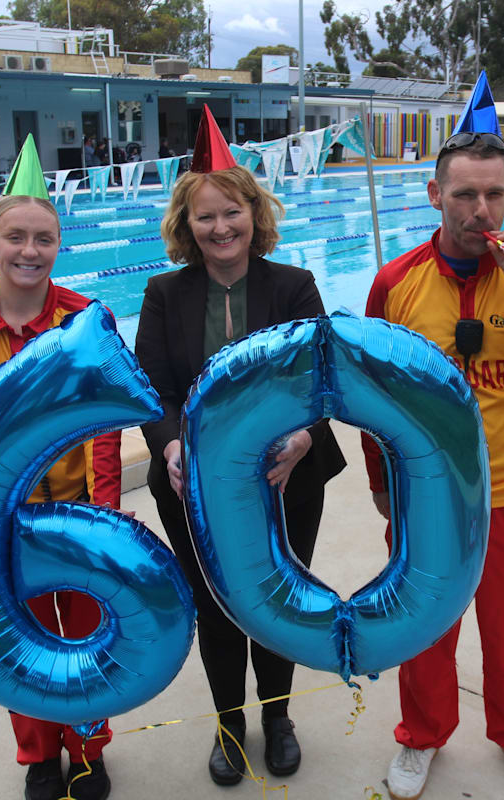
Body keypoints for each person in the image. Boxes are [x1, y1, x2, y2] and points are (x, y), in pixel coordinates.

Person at [362, 73, 504, 800]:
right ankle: (421, 738)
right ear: (435, 196)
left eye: (494, 194)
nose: (480, 209)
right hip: (427, 498)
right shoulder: (396, 283)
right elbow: (371, 399)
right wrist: (380, 485)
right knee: (425, 629)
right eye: (465, 194)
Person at [134, 105, 346, 786]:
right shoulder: (165, 293)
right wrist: (168, 446)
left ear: (254, 215)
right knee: (216, 602)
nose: (221, 227)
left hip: (286, 477)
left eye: (233, 212)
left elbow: (321, 380)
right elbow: (152, 388)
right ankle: (230, 722)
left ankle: (277, 716)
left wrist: (305, 437)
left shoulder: (293, 286)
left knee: (279, 598)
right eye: (206, 216)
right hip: (192, 483)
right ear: (186, 226)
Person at [0, 135, 119, 800]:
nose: (30, 251)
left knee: (88, 636)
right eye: (16, 236)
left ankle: (89, 750)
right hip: (1, 520)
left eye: (44, 237)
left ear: (58, 245)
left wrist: (103, 510)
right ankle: (40, 754)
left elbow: (102, 427)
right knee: (21, 639)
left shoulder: (84, 321)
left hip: (75, 514)